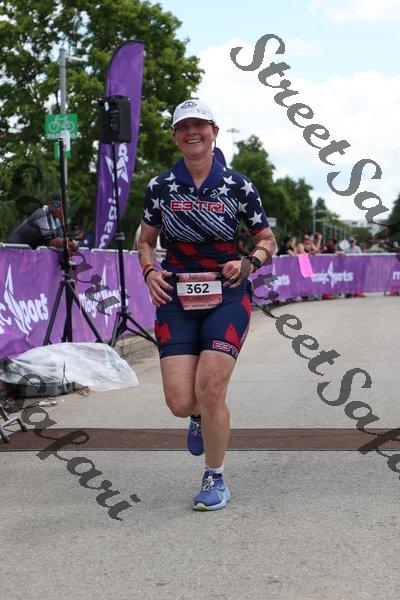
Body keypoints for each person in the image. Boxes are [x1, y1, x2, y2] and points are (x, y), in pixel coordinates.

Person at [137, 99, 276, 511]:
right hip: (176, 298)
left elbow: (266, 239)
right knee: (181, 402)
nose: (192, 132)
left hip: (226, 295)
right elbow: (145, 240)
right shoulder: (160, 186)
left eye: (200, 125)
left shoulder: (237, 185)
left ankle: (215, 477)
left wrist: (249, 263)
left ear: (214, 131)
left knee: (211, 389)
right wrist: (149, 272)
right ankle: (197, 417)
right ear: (175, 137)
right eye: (184, 127)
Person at [5, 192, 78, 251]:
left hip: (24, 250)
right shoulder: (42, 214)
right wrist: (70, 243)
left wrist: (71, 242)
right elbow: (52, 242)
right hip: (12, 248)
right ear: (49, 203)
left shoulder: (56, 219)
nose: (59, 209)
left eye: (62, 207)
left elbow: (61, 238)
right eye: (57, 205)